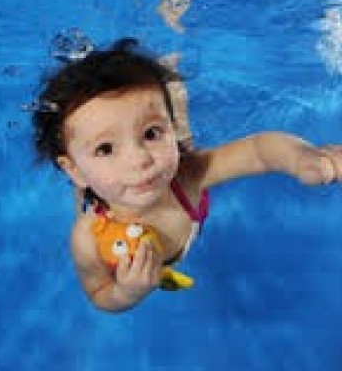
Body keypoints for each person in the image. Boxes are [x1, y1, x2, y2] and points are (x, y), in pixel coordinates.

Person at [31, 38, 342, 313]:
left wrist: (304, 159)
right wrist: (126, 293)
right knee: (96, 182)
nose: (140, 160)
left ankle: (170, 84)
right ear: (72, 170)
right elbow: (98, 292)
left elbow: (258, 150)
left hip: (172, 172)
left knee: (181, 138)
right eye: (106, 148)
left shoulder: (187, 175)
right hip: (100, 192)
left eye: (151, 134)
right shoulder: (87, 237)